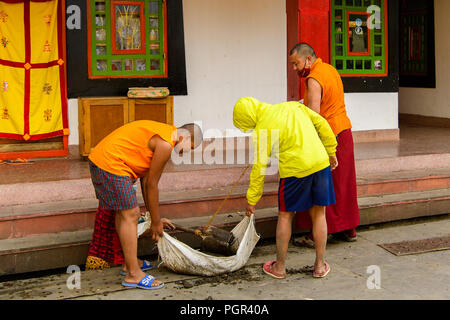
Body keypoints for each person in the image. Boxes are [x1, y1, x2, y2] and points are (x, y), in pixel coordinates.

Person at [85, 120, 203, 290]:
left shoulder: (163, 135)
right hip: (111, 163)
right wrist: (155, 222)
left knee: (124, 213)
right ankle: (133, 274)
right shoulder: (166, 143)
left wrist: (153, 217)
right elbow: (152, 185)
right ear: (185, 136)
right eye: (189, 147)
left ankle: (129, 264)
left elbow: (146, 180)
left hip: (104, 160)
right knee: (131, 214)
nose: (184, 152)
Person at [233, 97, 337, 279]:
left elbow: (259, 168)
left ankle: (279, 268)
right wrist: (331, 150)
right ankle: (320, 266)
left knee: (285, 215)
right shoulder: (294, 106)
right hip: (320, 164)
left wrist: (252, 200)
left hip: (295, 171)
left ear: (248, 118)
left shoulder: (261, 129)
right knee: (319, 213)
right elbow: (322, 123)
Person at [289, 43, 360, 246]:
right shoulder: (330, 69)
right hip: (344, 131)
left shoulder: (313, 79)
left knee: (322, 185)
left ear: (308, 60)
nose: (295, 68)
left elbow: (315, 117)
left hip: (328, 136)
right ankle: (348, 229)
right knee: (344, 183)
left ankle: (316, 235)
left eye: (296, 64)